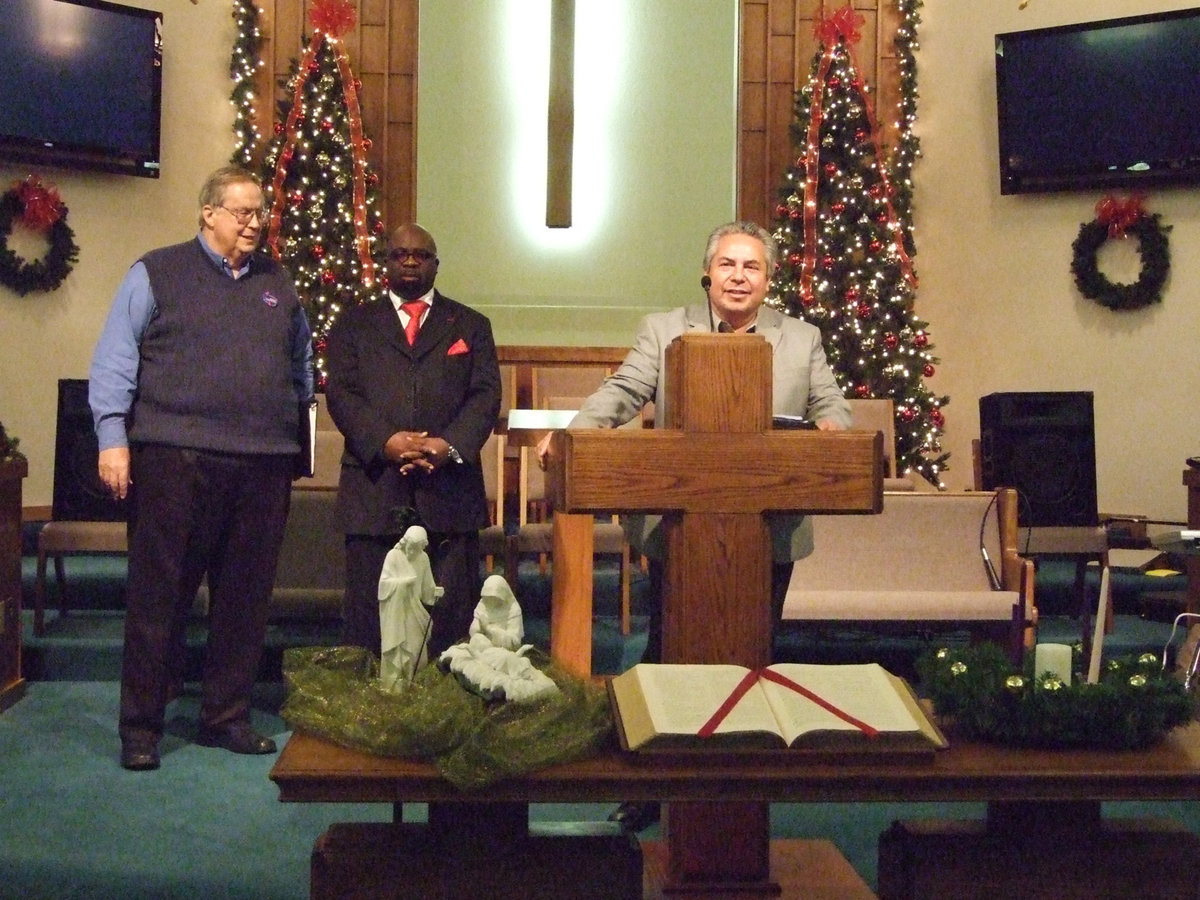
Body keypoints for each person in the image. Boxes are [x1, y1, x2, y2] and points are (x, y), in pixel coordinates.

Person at [537, 220, 849, 830]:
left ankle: (741, 794)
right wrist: (575, 430)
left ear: (768, 278)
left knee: (755, 653)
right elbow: (624, 390)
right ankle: (656, 784)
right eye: (728, 265)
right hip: (679, 526)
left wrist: (834, 427)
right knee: (667, 653)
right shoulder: (664, 329)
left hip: (769, 525)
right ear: (708, 273)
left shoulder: (801, 337)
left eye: (751, 267)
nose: (738, 277)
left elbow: (828, 402)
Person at [89, 165, 314, 771]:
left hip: (263, 462)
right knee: (158, 596)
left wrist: (297, 436)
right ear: (207, 213)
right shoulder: (155, 272)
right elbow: (115, 360)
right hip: (173, 458)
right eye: (242, 212)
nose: (253, 223)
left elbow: (302, 366)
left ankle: (225, 717)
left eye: (260, 213)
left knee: (245, 598)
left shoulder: (278, 282)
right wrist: (113, 437)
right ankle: (141, 727)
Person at [324, 223, 501, 662]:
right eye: (399, 253)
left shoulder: (471, 325)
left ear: (435, 265)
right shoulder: (353, 324)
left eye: (420, 255)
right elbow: (342, 393)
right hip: (374, 487)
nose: (409, 261)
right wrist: (386, 441)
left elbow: (485, 395)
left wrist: (447, 446)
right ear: (385, 262)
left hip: (449, 491)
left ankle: (446, 702)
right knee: (369, 616)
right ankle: (367, 710)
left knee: (450, 616)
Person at [377, 525, 444, 691]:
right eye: (411, 547)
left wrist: (435, 592)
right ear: (405, 542)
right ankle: (394, 688)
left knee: (416, 652)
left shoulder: (423, 559)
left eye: (417, 548)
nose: (412, 552)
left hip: (415, 613)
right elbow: (383, 587)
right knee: (398, 653)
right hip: (397, 615)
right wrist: (403, 584)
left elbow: (426, 591)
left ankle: (413, 687)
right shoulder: (393, 556)